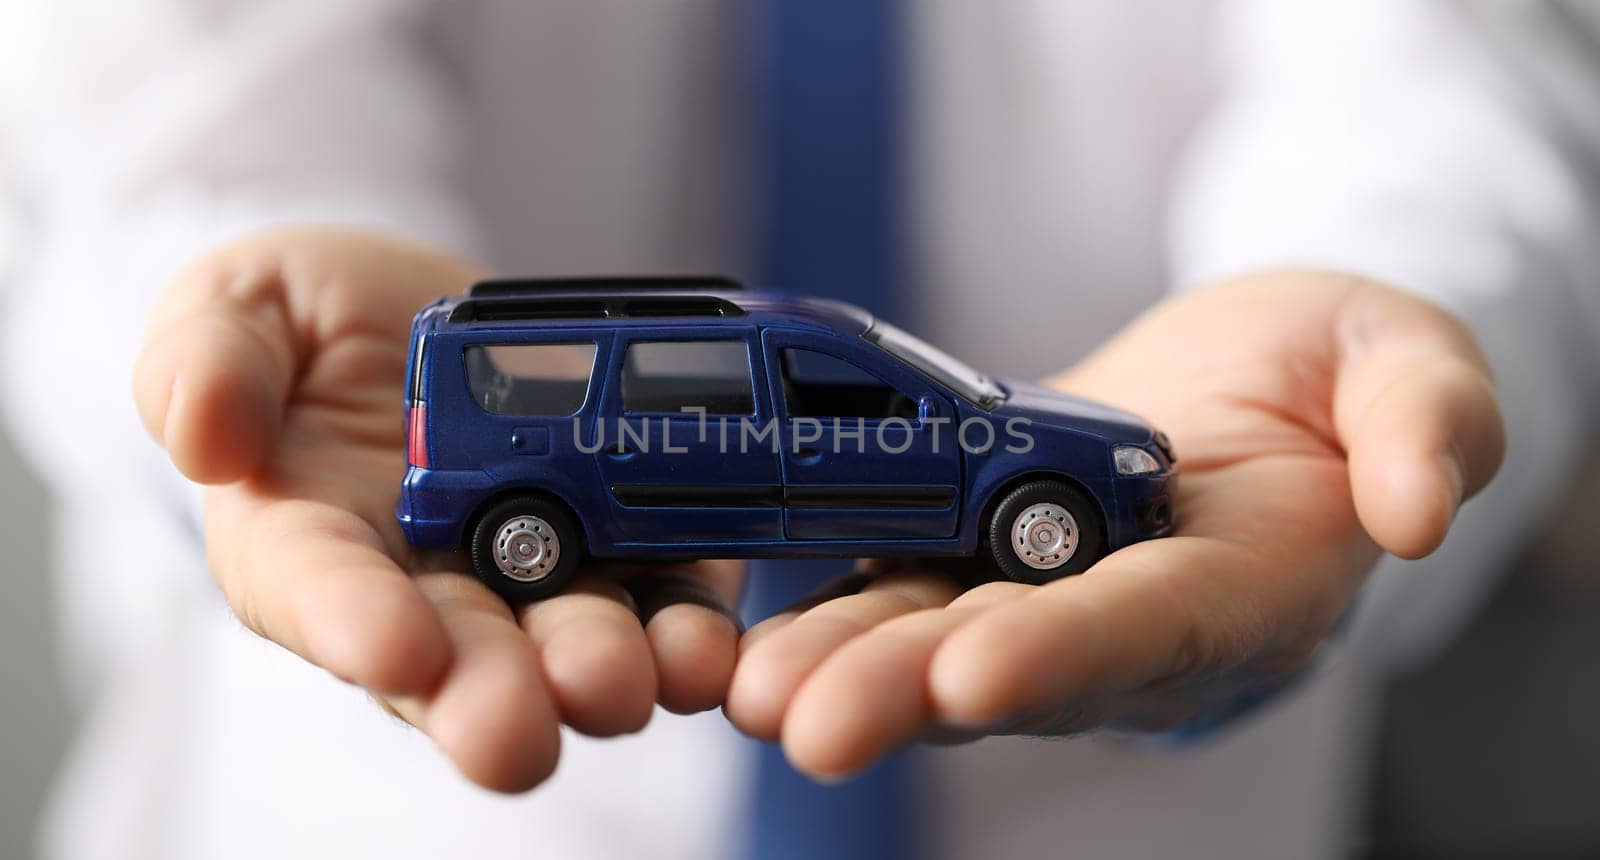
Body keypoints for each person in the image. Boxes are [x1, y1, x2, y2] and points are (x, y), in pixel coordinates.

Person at [0, 1, 1592, 857]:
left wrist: (1383, 274)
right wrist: (243, 289)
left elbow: (1440, 64)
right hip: (352, 820)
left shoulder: (981, 431)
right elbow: (166, 109)